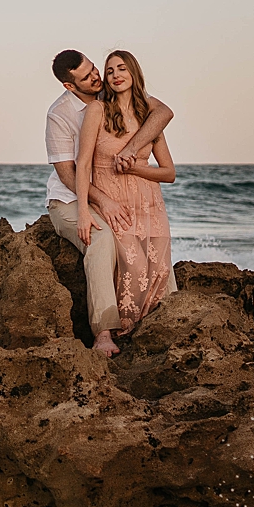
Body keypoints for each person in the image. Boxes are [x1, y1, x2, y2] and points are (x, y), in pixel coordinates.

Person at [46, 49, 173, 355]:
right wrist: (100, 204)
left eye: (94, 69)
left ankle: (170, 312)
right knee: (101, 240)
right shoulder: (60, 114)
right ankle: (103, 331)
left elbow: (163, 113)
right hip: (69, 198)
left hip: (112, 193)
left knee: (152, 242)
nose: (98, 77)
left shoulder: (110, 92)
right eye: (88, 76)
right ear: (69, 86)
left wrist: (132, 150)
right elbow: (69, 173)